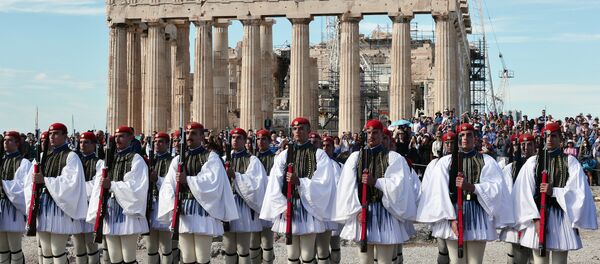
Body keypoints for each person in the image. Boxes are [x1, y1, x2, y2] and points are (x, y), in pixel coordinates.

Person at [416, 123, 513, 264]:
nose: (465, 138)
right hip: (452, 214)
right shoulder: (445, 162)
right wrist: (451, 219)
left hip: (477, 214)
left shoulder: (486, 161)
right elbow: (438, 192)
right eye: (462, 135)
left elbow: (496, 188)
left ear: (475, 138)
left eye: (469, 135)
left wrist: (472, 187)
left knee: (475, 261)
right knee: (456, 261)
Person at [334, 120, 417, 264]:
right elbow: (347, 187)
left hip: (386, 213)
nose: (371, 136)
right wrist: (356, 210)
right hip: (363, 212)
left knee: (385, 260)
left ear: (381, 135)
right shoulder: (355, 157)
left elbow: (399, 185)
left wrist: (377, 182)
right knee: (364, 260)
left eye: (375, 133)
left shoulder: (394, 158)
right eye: (369, 133)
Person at [513, 122, 598, 264]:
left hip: (561, 218)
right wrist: (535, 219)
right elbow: (523, 194)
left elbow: (578, 192)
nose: (549, 139)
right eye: (546, 136)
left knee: (560, 261)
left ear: (560, 139)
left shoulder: (570, 162)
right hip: (537, 217)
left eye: (553, 136)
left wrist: (554, 191)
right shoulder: (533, 163)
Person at [157, 122, 238, 264]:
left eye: (193, 133)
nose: (189, 136)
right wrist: (172, 205)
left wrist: (186, 180)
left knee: (202, 257)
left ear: (202, 136)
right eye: (187, 133)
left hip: (203, 212)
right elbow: (168, 185)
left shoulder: (211, 157)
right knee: (187, 258)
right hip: (183, 211)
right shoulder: (178, 159)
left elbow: (212, 182)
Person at [260, 117, 336, 264]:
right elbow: (275, 183)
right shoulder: (284, 155)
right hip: (289, 207)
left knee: (307, 255)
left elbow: (324, 182)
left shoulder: (319, 154)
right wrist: (281, 206)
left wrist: (300, 182)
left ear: (308, 131)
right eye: (295, 129)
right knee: (292, 255)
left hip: (310, 208)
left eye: (301, 128)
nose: (297, 132)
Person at [25, 123, 88, 264]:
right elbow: (29, 181)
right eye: (50, 133)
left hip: (60, 208)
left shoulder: (71, 156)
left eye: (56, 133)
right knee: (46, 252)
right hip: (42, 206)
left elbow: (70, 183)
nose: (52, 136)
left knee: (57, 250)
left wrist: (45, 180)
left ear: (65, 136)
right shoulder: (43, 156)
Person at [86, 126, 149, 263]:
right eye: (116, 136)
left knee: (128, 257)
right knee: (114, 257)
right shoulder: (109, 160)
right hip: (110, 210)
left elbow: (137, 186)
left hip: (127, 212)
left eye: (121, 136)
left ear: (130, 138)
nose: (117, 139)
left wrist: (113, 185)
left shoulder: (136, 159)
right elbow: (99, 185)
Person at [222, 128, 268, 264]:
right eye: (233, 137)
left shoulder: (253, 160)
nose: (235, 140)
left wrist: (235, 176)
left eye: (239, 138)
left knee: (243, 249)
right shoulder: (223, 159)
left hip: (243, 208)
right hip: (228, 207)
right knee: (229, 247)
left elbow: (256, 184)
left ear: (244, 140)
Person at [499, 134, 536, 264]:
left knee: (535, 257)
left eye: (529, 144)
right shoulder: (511, 168)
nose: (526, 148)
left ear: (535, 146)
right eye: (523, 145)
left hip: (535, 217)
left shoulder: (540, 165)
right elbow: (507, 193)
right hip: (517, 216)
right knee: (516, 257)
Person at [0, 131, 31, 264]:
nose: (6, 142)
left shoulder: (24, 163)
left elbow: (23, 187)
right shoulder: (1, 160)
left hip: (14, 209)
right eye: (5, 140)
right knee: (2, 250)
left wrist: (3, 183)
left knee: (15, 249)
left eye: (10, 140)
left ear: (17, 143)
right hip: (0, 207)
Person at [145, 132, 176, 263]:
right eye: (156, 142)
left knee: (165, 246)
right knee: (151, 247)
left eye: (161, 141)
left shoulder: (172, 161)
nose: (158, 144)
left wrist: (157, 179)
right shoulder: (149, 160)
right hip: (150, 204)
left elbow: (173, 184)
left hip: (163, 204)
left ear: (168, 144)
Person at [74, 132, 103, 264]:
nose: (82, 145)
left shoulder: (98, 163)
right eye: (81, 142)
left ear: (93, 145)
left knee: (91, 244)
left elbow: (96, 185)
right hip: (76, 205)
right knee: (78, 245)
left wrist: (78, 189)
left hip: (90, 205)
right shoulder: (75, 161)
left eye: (86, 142)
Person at [251, 129, 277, 263]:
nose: (260, 142)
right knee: (253, 243)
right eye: (258, 139)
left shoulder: (274, 159)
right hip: (253, 204)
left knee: (267, 243)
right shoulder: (251, 158)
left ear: (269, 141)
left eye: (263, 139)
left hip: (267, 203)